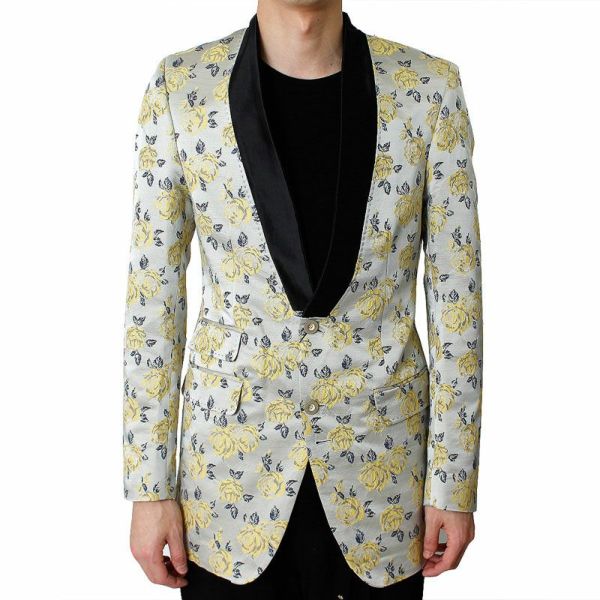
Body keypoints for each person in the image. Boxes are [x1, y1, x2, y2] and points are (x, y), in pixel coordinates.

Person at [122, 1, 483, 598]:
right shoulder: (182, 88)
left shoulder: (428, 91)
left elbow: (458, 302)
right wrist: (149, 487)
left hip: (383, 482)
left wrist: (453, 481)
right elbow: (152, 300)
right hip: (226, 489)